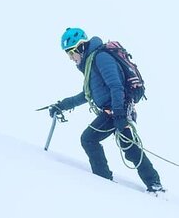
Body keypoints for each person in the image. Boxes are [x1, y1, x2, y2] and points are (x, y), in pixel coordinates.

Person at [48, 27, 163, 192]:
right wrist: (62, 105)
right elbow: (87, 95)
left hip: (116, 110)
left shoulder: (100, 58)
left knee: (89, 139)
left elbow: (116, 86)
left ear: (80, 47)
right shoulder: (90, 64)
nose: (70, 58)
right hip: (115, 111)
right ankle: (154, 184)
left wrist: (119, 115)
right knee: (129, 148)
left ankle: (103, 182)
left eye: (70, 52)